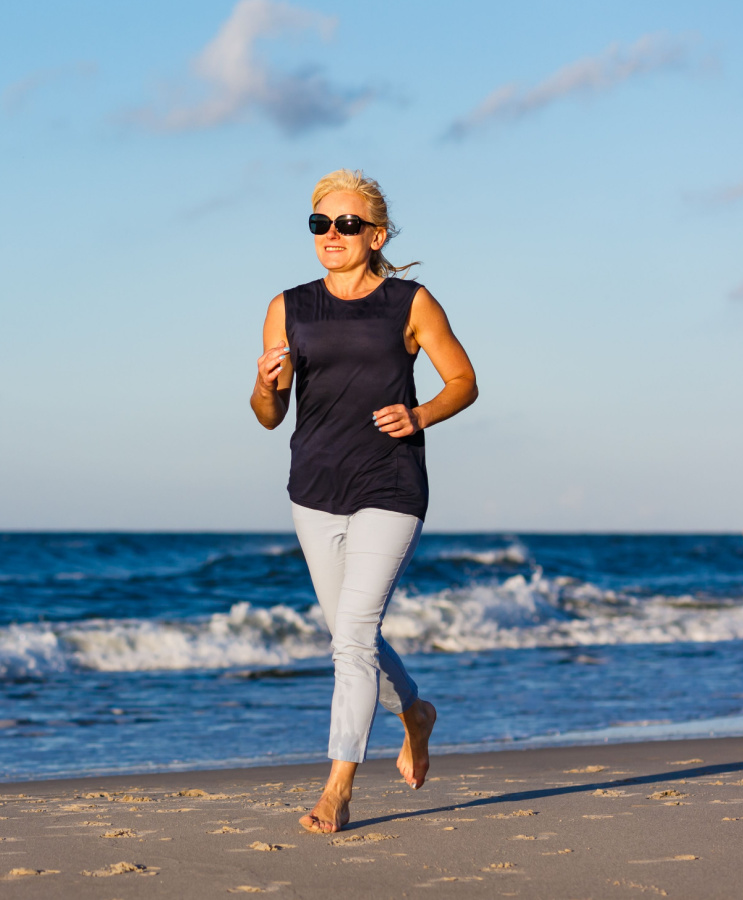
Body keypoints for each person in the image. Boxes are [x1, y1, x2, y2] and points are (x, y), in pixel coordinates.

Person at [250, 169, 478, 834]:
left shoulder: (411, 302)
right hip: (314, 489)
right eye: (320, 223)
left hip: (390, 484)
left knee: (350, 642)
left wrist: (422, 413)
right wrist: (267, 384)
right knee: (355, 635)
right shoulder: (287, 306)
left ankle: (338, 789)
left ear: (375, 234)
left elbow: (463, 380)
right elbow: (268, 415)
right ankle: (415, 711)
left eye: (347, 225)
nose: (331, 235)